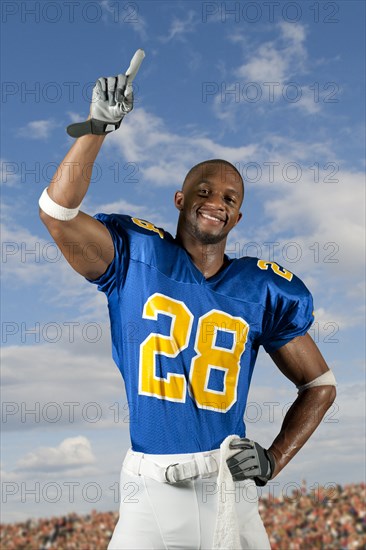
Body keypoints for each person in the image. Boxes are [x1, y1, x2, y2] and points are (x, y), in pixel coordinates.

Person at [39, 60, 337, 550]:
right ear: (180, 199)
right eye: (203, 190)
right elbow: (57, 211)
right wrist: (96, 129)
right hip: (151, 490)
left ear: (237, 216)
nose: (215, 200)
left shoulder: (261, 287)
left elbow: (320, 385)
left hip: (230, 489)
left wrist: (274, 458)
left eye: (228, 196)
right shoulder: (135, 256)